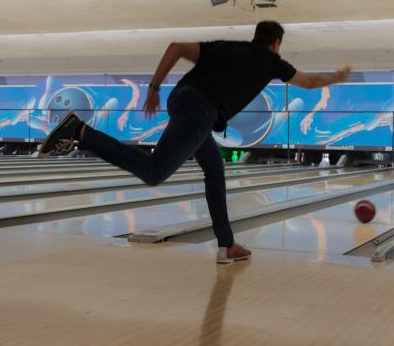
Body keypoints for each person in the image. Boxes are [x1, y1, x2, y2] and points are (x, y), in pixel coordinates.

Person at [38, 21, 351, 263]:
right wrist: (336, 78)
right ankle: (79, 131)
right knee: (154, 171)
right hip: (201, 111)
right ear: (276, 43)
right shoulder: (271, 61)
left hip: (184, 101)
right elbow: (309, 82)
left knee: (215, 172)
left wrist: (154, 87)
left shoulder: (226, 46)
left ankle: (226, 246)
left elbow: (175, 47)